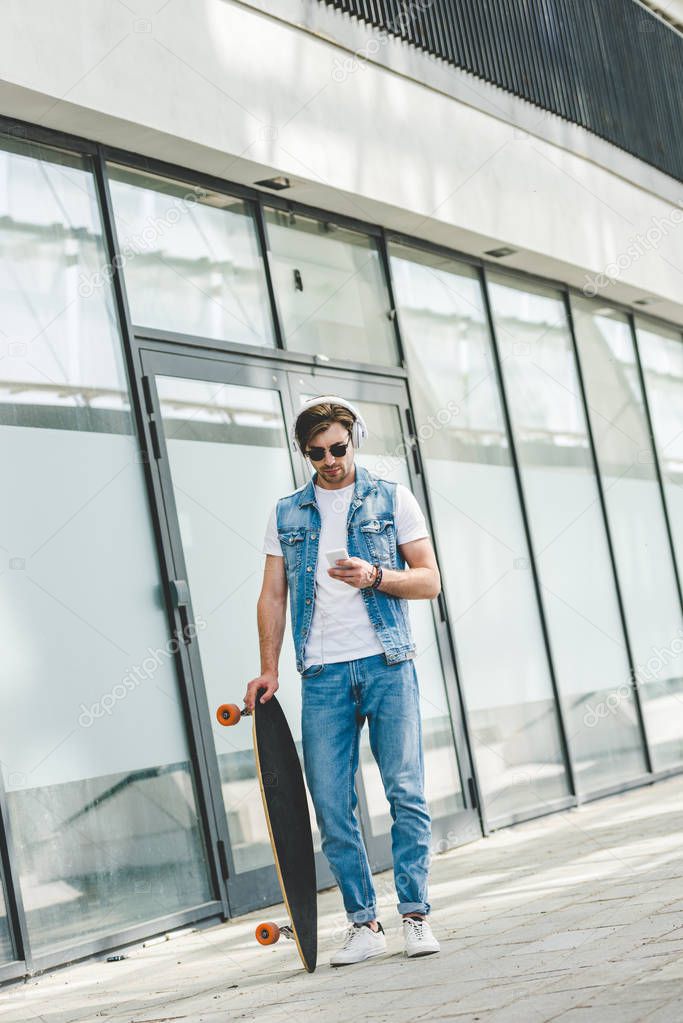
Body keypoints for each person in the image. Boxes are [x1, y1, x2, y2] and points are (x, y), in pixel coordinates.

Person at [244, 395, 442, 965]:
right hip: (324, 674)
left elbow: (429, 581)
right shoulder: (287, 513)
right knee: (331, 804)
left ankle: (414, 916)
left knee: (405, 789)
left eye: (338, 447)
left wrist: (375, 576)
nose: (329, 460)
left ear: (354, 438)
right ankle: (363, 924)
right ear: (303, 452)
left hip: (386, 662)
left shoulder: (391, 497)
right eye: (316, 453)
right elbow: (273, 594)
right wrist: (268, 668)